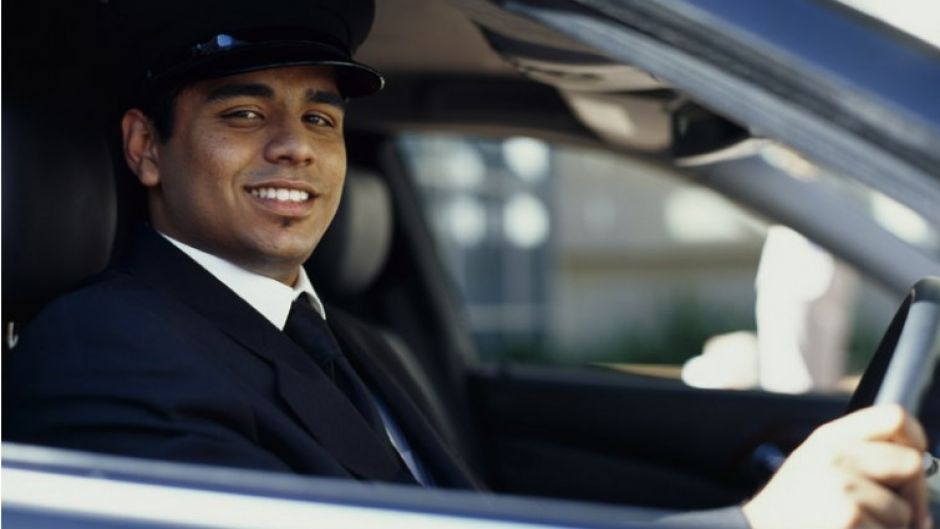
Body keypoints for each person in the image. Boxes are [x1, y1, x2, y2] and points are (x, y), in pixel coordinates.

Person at [2, 1, 931, 528]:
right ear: (145, 148)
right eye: (244, 114)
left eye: (321, 117)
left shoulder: (355, 342)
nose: (298, 147)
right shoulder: (98, 347)